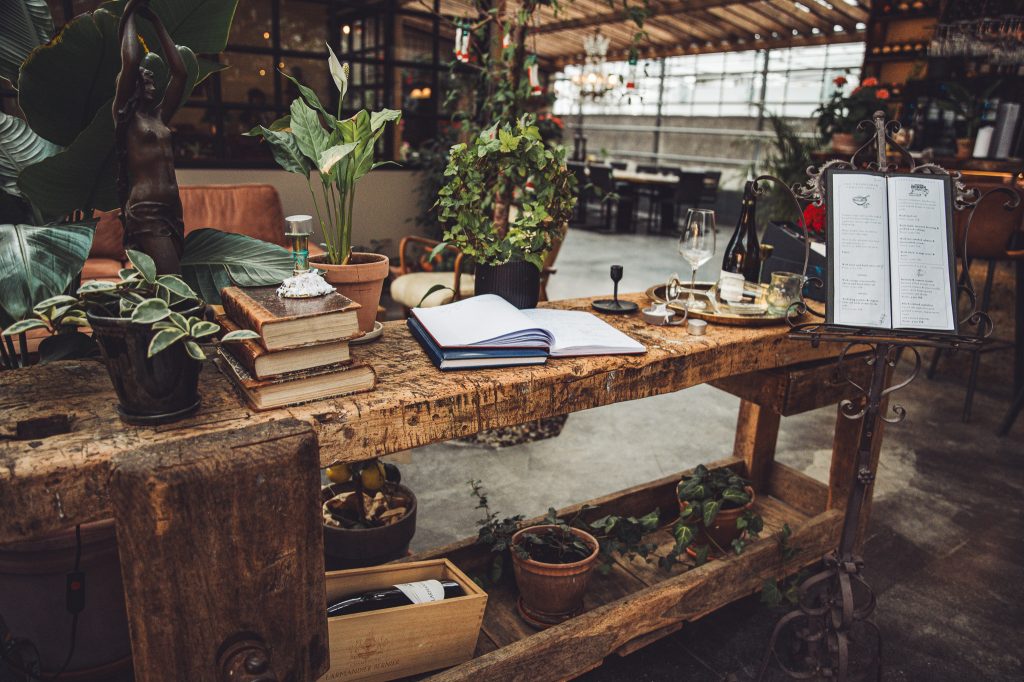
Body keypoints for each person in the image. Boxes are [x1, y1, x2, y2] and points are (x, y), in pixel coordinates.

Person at [112, 0, 187, 274]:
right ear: (131, 85)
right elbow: (130, 60)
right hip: (146, 211)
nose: (153, 83)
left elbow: (180, 73)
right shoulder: (126, 120)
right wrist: (130, 12)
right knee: (176, 285)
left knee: (158, 286)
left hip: (171, 211)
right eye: (146, 79)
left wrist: (156, 20)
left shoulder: (159, 116)